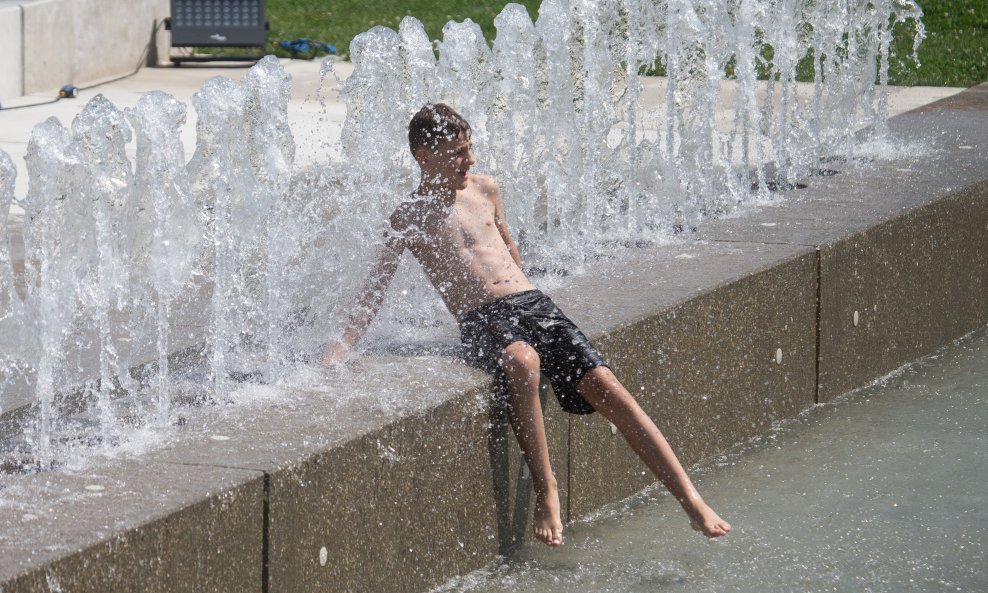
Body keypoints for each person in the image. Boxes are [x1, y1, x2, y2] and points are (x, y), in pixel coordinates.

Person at [322, 103, 731, 547]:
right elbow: (373, 293)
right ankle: (547, 488)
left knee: (609, 387)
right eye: (457, 152)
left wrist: (532, 295)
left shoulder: (485, 190)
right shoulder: (408, 218)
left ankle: (691, 500)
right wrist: (339, 350)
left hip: (534, 306)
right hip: (482, 318)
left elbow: (510, 250)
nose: (470, 160)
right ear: (423, 155)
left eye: (470, 148)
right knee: (521, 359)